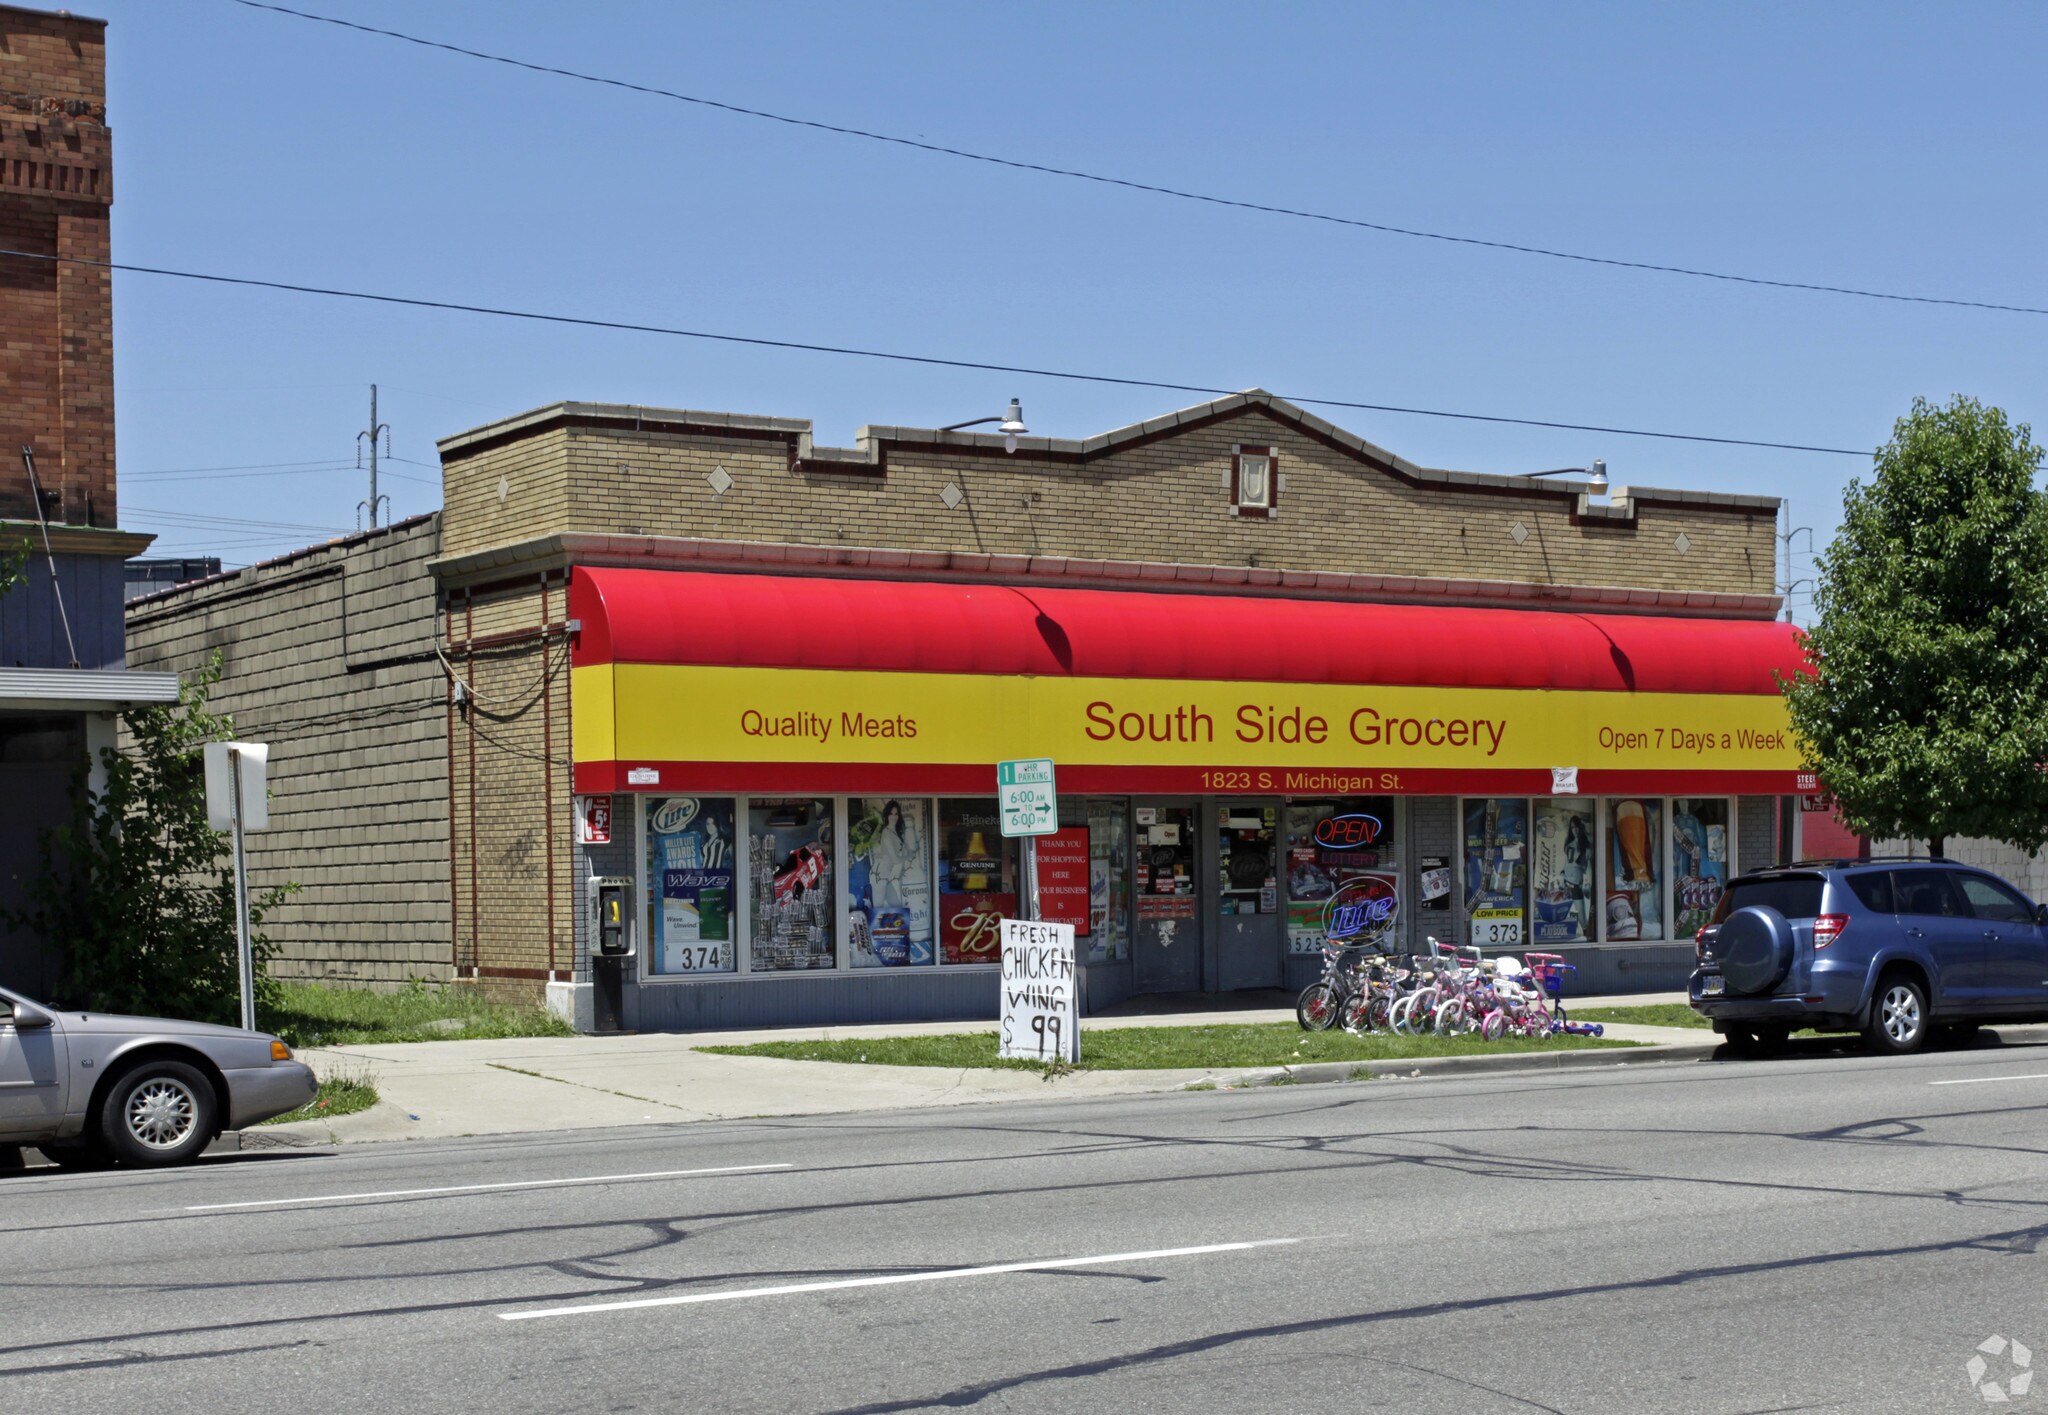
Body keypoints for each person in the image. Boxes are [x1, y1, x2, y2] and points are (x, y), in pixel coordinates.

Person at [868, 799, 924, 911]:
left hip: (887, 876)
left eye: (896, 814)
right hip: (879, 876)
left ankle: (895, 928)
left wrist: (910, 852)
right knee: (876, 912)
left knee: (897, 910)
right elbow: (895, 859)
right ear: (887, 815)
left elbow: (903, 851)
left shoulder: (896, 832)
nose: (894, 817)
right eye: (891, 814)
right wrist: (909, 856)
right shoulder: (886, 833)